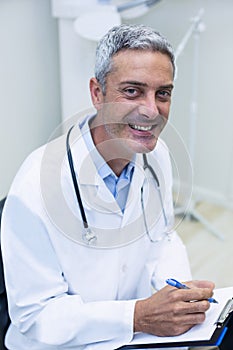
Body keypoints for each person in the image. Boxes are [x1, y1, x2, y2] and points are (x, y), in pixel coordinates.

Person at [1, 24, 215, 350]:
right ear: (97, 94)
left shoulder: (157, 156)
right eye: (132, 91)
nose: (151, 110)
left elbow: (163, 240)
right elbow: (35, 317)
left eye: (163, 93)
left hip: (135, 339)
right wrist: (137, 316)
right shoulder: (35, 187)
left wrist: (179, 293)